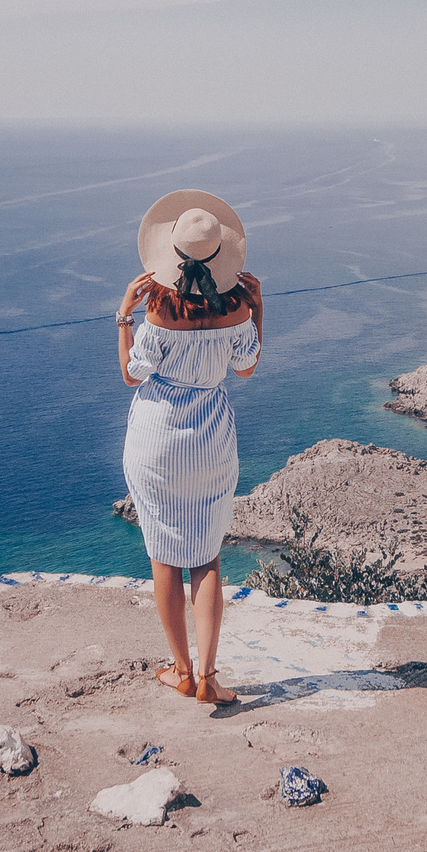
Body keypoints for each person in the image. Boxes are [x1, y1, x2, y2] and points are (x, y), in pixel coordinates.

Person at [115, 189, 263, 706]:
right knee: (206, 558)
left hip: (156, 440)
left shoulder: (157, 313)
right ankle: (209, 678)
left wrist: (123, 317)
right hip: (210, 440)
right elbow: (246, 368)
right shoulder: (236, 309)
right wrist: (258, 308)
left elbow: (131, 376)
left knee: (164, 557)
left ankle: (180, 671)